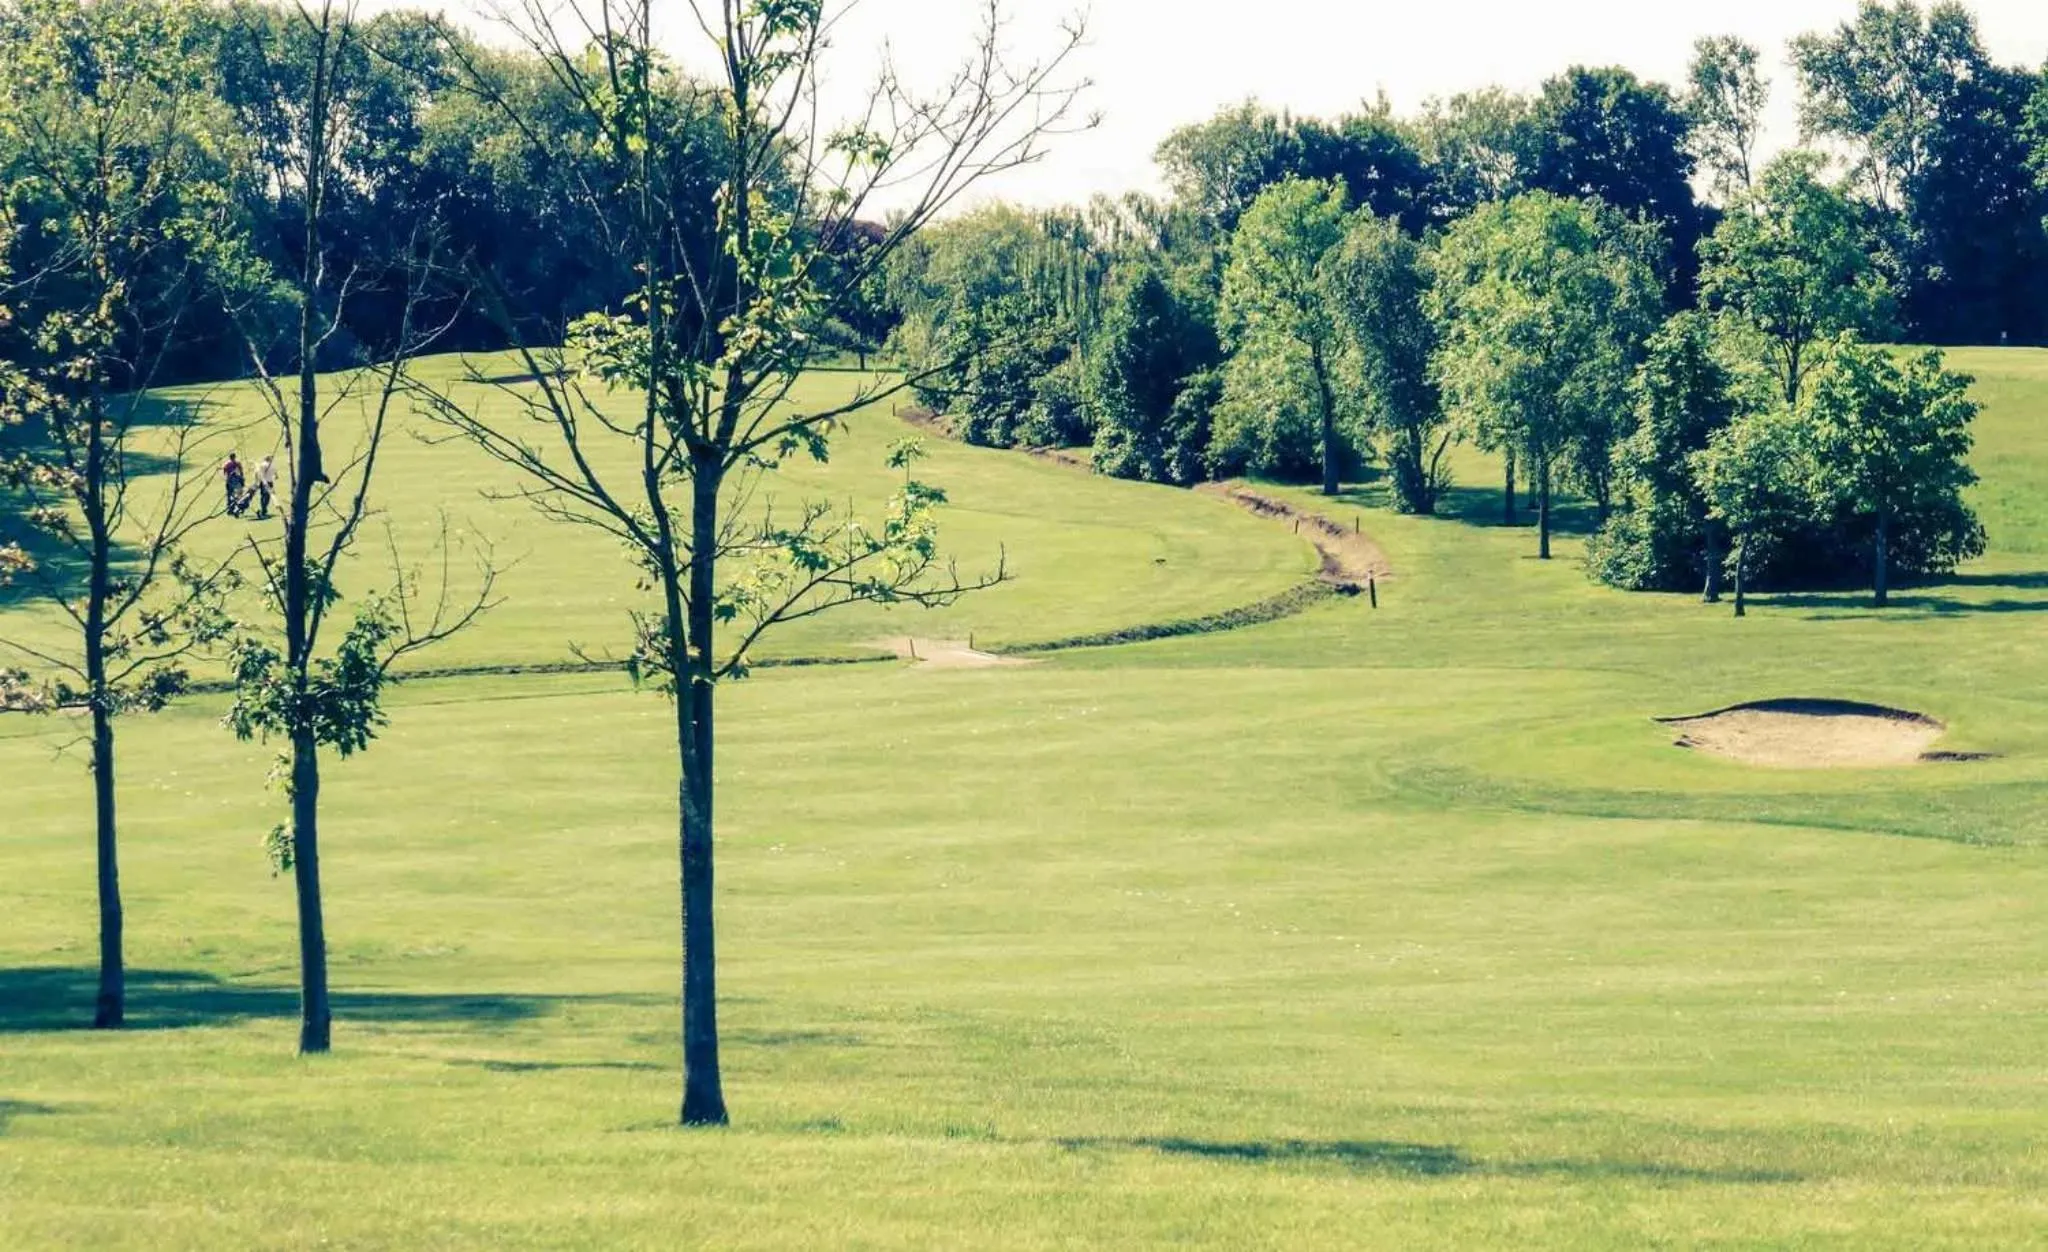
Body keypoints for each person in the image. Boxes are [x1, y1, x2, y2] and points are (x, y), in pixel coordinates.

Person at [253, 453, 277, 520]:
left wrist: (257, 480)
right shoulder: (272, 465)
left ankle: (263, 509)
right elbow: (276, 475)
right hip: (270, 482)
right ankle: (264, 509)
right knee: (268, 496)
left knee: (263, 496)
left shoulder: (262, 465)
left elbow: (258, 473)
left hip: (263, 482)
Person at [222, 452, 245, 516]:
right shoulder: (237, 463)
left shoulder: (226, 464)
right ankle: (239, 508)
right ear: (235, 457)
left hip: (229, 481)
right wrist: (242, 479)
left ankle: (230, 509)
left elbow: (224, 472)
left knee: (230, 495)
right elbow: (241, 471)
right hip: (236, 480)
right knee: (238, 494)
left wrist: (226, 478)